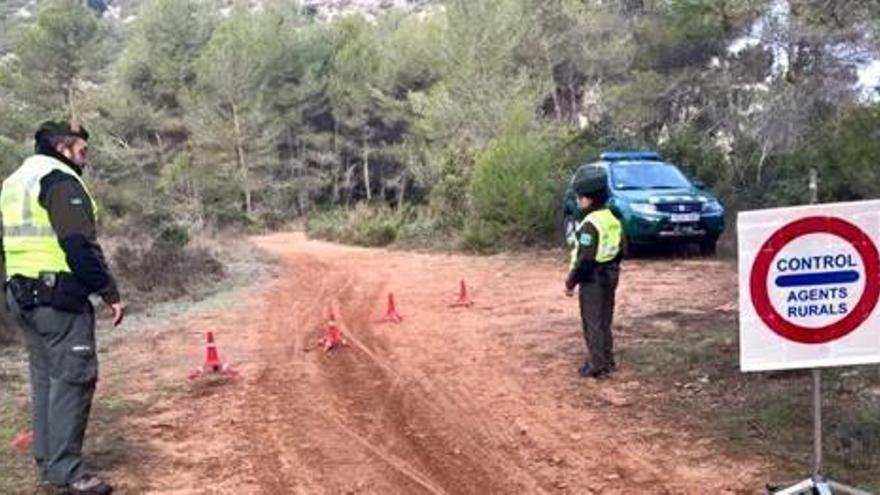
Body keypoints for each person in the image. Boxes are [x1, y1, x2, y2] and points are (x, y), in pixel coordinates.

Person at [1, 120, 124, 494]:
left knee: (46, 380)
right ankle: (68, 471)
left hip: (21, 296)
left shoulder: (13, 182)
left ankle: (48, 461)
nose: (84, 160)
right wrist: (109, 291)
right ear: (61, 148)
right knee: (73, 379)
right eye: (81, 152)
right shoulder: (59, 181)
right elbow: (78, 245)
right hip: (59, 298)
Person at [564, 173, 623, 379]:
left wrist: (571, 281)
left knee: (592, 321)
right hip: (611, 273)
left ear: (589, 199)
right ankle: (608, 359)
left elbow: (585, 258)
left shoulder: (590, 223)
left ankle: (596, 364)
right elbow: (622, 247)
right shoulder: (612, 218)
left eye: (581, 197)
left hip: (592, 277)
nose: (579, 201)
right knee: (605, 319)